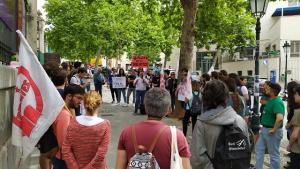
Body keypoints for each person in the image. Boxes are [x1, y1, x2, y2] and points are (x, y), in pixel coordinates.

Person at [115, 88, 191, 169]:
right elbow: (186, 166)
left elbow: (119, 167)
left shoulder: (127, 132)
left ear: (145, 106)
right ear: (168, 110)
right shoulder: (177, 136)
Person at [190, 80, 249, 169]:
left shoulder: (202, 124)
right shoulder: (239, 120)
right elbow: (246, 150)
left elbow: (197, 158)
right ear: (226, 97)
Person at [62, 91, 110, 169]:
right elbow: (101, 154)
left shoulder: (73, 122)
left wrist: (74, 167)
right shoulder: (105, 125)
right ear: (99, 104)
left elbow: (65, 149)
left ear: (83, 104)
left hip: (77, 165)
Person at [52, 84, 85, 169]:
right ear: (69, 96)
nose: (81, 102)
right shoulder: (64, 115)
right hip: (64, 160)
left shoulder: (66, 110)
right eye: (79, 98)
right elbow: (64, 143)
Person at [255, 82, 285, 169]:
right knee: (259, 149)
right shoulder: (271, 100)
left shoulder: (277, 102)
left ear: (273, 91)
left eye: (267, 88)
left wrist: (274, 129)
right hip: (265, 129)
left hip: (272, 131)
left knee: (273, 154)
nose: (265, 89)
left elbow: (279, 118)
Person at [287, 84, 300, 169]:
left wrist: (289, 146)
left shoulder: (298, 112)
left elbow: (295, 134)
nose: (294, 95)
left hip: (297, 150)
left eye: (296, 94)